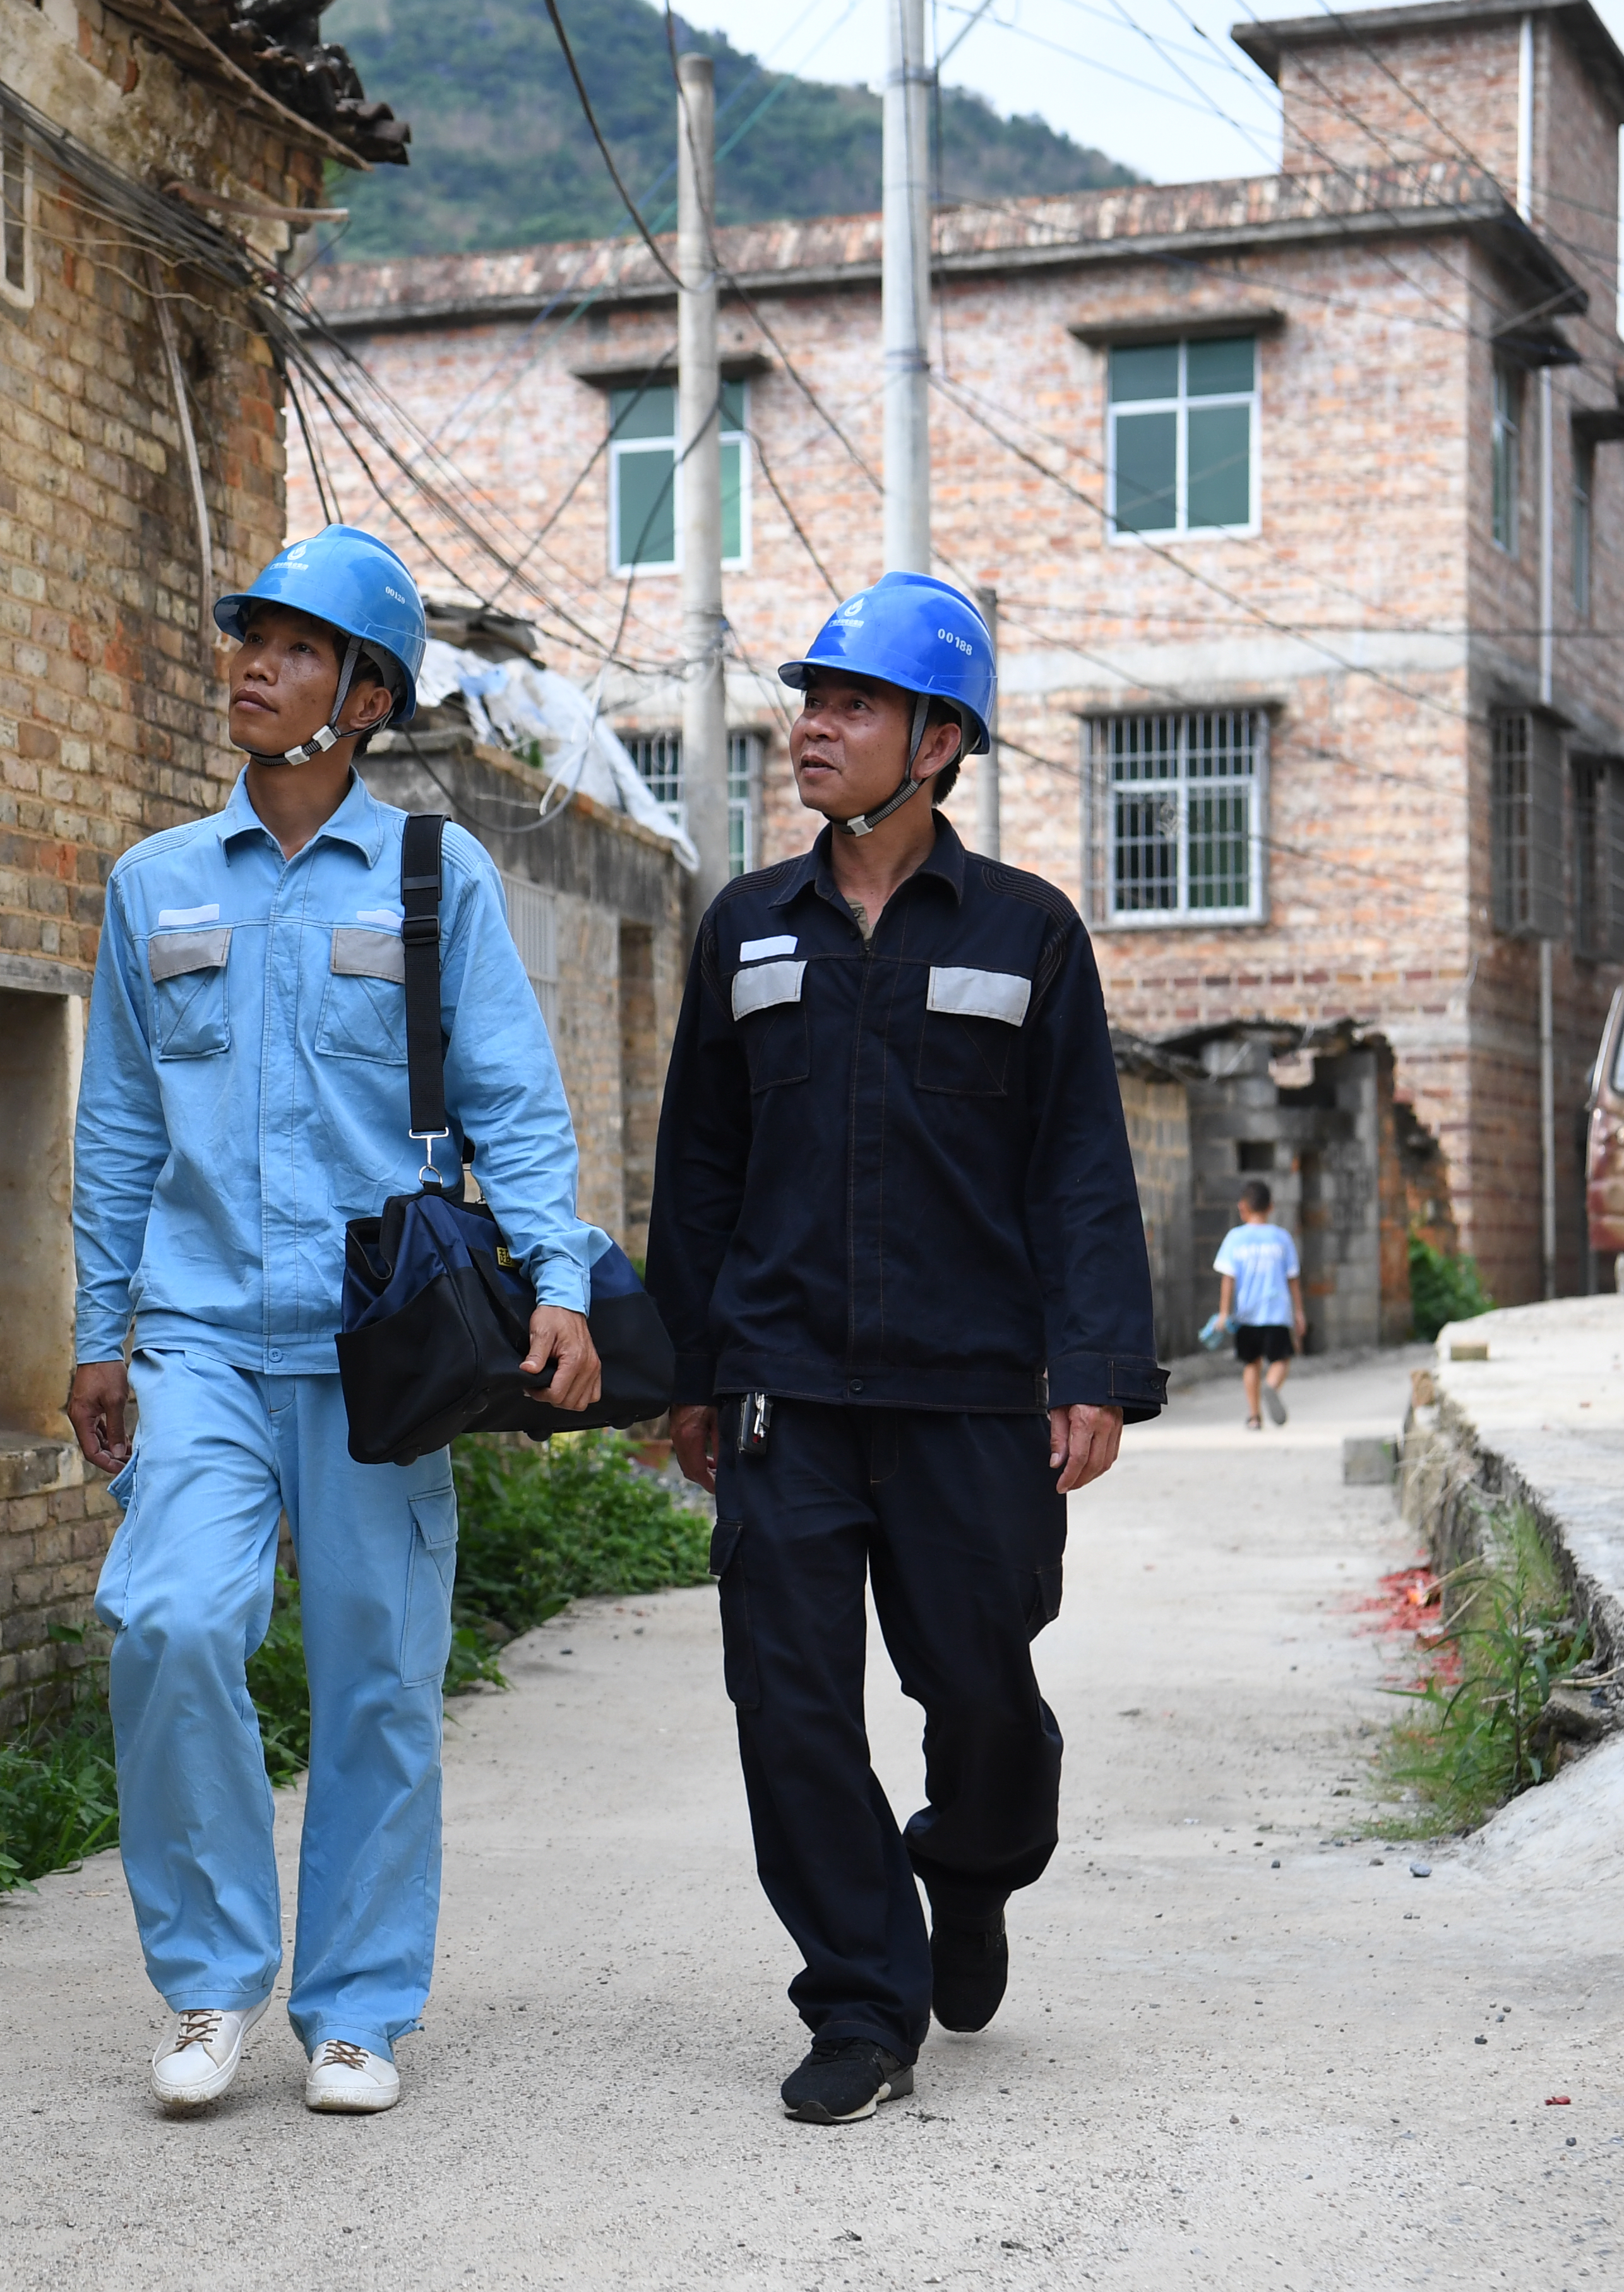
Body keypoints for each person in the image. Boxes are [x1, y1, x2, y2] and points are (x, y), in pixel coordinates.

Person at [66, 526, 603, 2119]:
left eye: (298, 648)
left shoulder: (436, 877)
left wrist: (562, 1283)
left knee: (377, 1678)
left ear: (366, 697)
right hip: (200, 1338)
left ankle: (357, 2006)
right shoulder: (156, 882)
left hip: (380, 1349)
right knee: (169, 1623)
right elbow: (115, 1127)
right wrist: (98, 1328)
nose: (257, 665)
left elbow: (515, 1101)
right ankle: (211, 1976)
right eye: (253, 638)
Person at [644, 572, 1164, 2127]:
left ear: (937, 742)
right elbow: (699, 1166)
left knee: (982, 1695)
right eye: (811, 698)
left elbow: (1081, 1167)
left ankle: (972, 1868)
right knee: (789, 1703)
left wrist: (1094, 1366)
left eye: (853, 703)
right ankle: (864, 1999)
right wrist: (685, 1367)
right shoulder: (746, 927)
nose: (813, 725)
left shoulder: (1028, 931)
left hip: (965, 1391)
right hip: (783, 1389)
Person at [1214, 1182, 1305, 1428]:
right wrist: (1299, 1313)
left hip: (1247, 1314)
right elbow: (1293, 1279)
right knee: (1281, 1359)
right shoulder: (1282, 1238)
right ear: (1271, 1207)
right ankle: (1272, 1386)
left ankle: (1254, 1417)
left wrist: (1224, 1313)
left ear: (1242, 1207)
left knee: (1251, 1363)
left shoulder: (1235, 1238)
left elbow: (1228, 1279)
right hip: (1277, 1313)